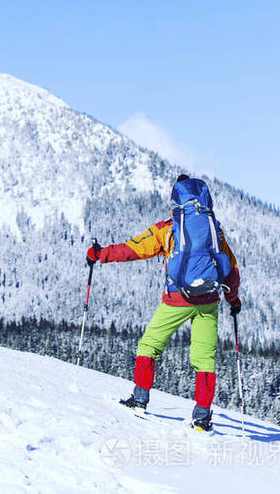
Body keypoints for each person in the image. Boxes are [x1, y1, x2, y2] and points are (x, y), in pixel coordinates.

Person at [87, 174, 241, 431]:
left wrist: (100, 254)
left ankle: (139, 399)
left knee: (150, 344)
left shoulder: (168, 228)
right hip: (209, 301)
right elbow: (231, 270)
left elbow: (132, 249)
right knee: (205, 359)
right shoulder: (215, 229)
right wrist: (233, 300)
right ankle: (202, 417)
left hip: (177, 299)